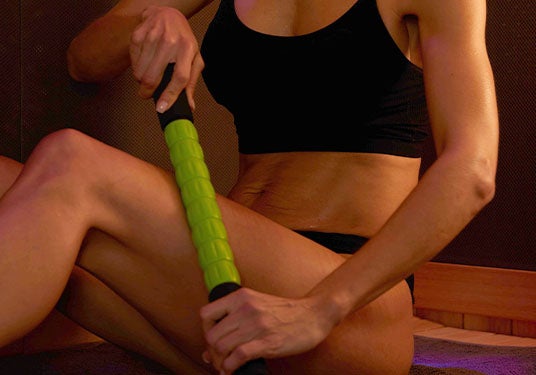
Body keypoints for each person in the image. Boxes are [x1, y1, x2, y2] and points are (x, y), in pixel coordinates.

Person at [0, 0, 499, 374]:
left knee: (71, 161)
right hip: (227, 289)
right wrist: (155, 15)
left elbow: (472, 170)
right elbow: (83, 58)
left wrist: (319, 309)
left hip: (349, 303)